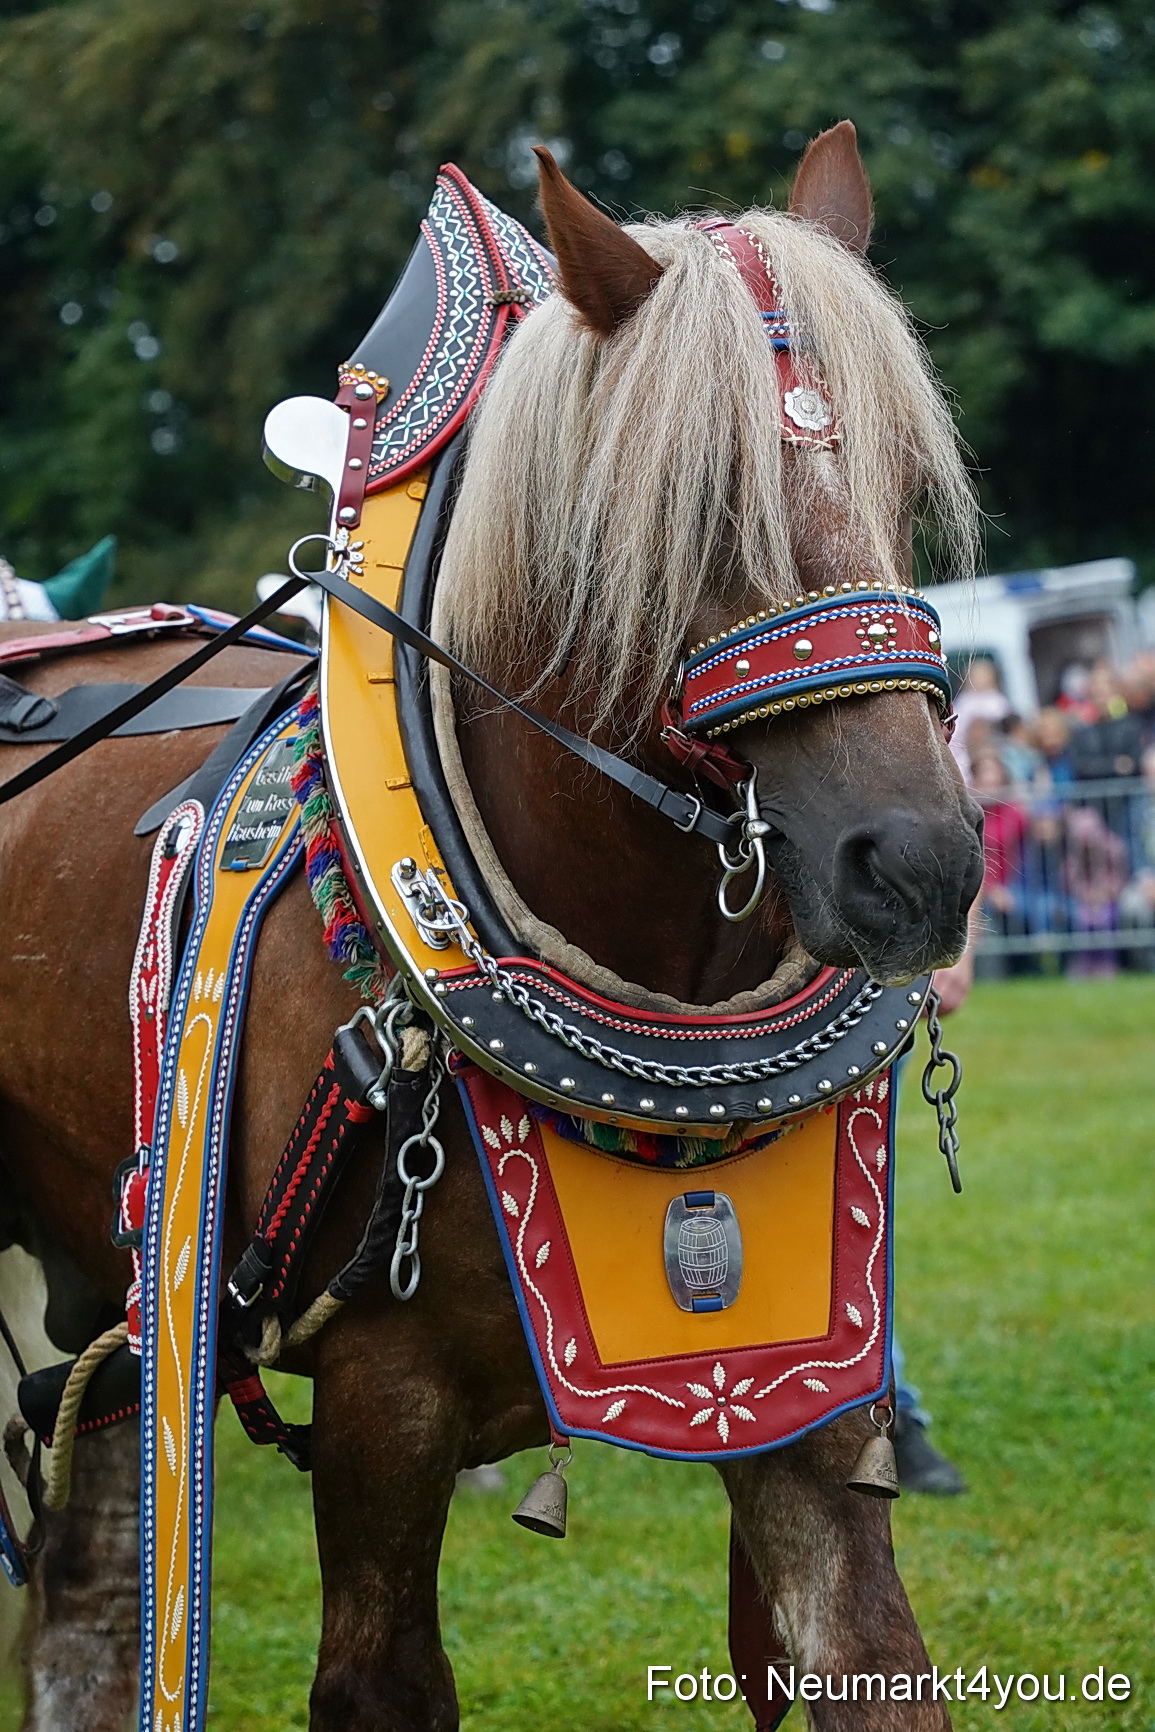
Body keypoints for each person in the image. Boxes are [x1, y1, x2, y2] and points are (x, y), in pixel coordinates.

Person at [890, 932, 974, 1497]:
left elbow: (966, 838)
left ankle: (883, 1407)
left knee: (849, 1203)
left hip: (846, 988)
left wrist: (958, 943)